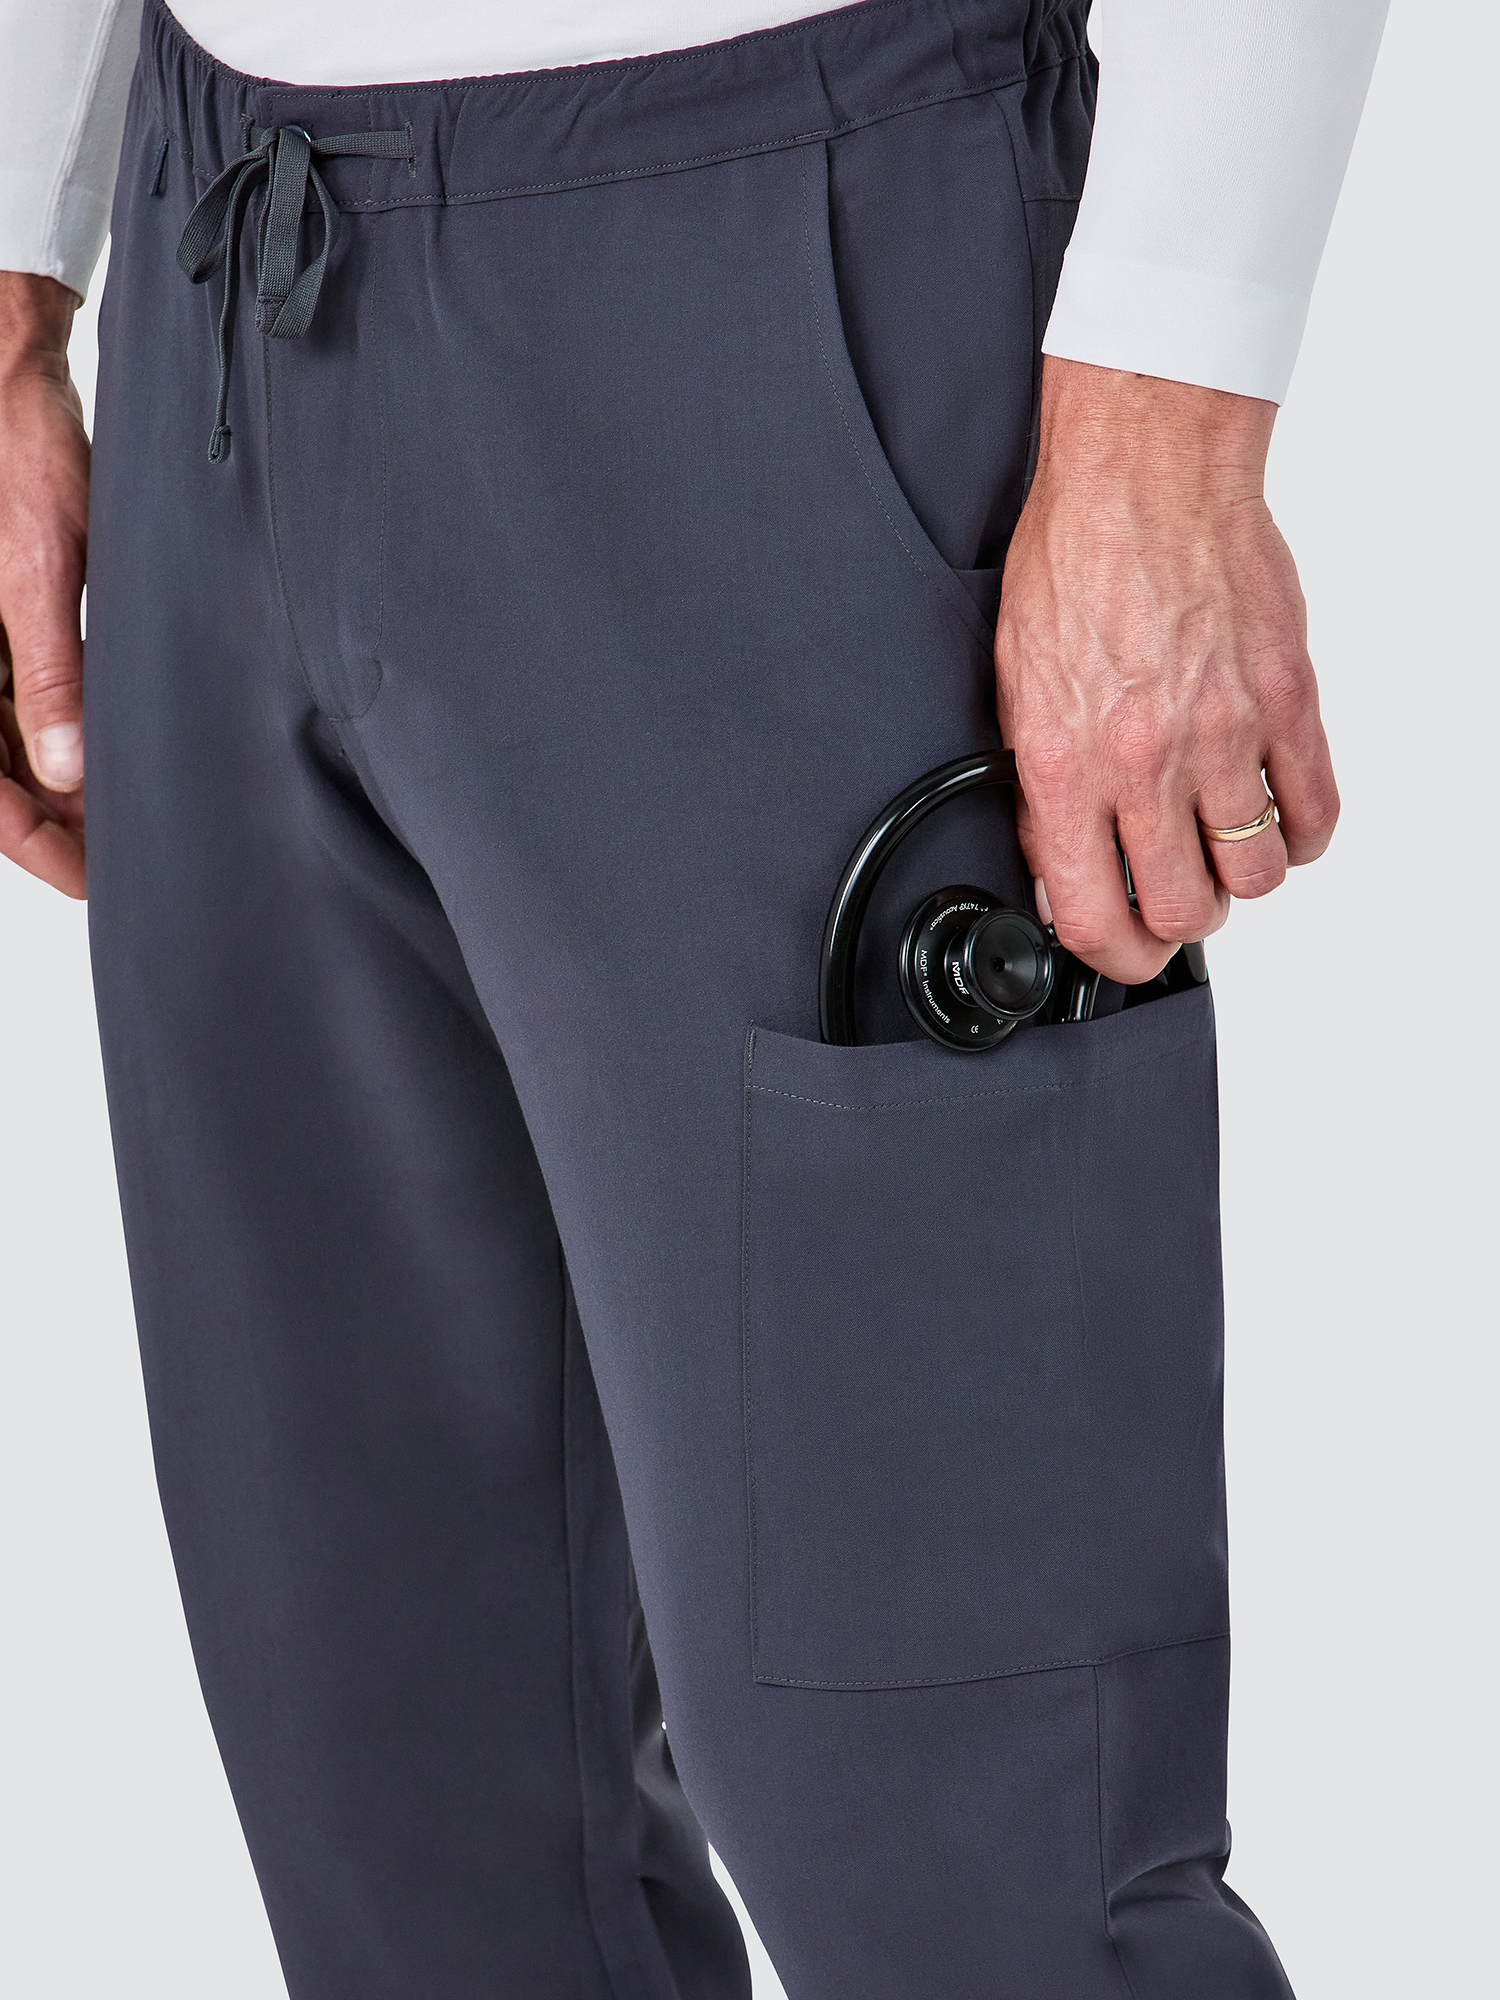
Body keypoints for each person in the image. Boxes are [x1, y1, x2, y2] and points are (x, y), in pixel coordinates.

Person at [0, 2, 1388, 1994]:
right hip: (223, 278)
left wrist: (1174, 406)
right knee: (409, 1835)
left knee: (973, 1867)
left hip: (785, 258)